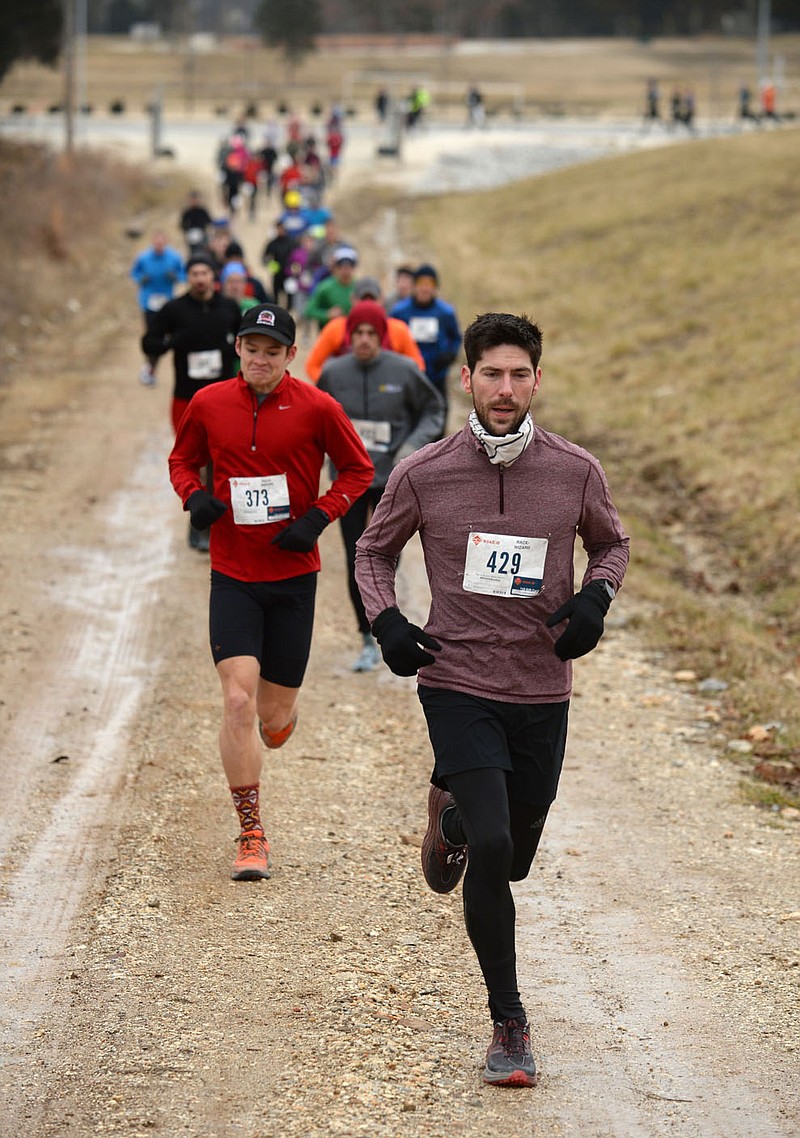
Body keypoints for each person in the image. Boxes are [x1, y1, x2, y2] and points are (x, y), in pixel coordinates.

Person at [354, 312, 629, 1087]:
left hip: (542, 687)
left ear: (537, 380)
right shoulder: (424, 471)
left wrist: (595, 599)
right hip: (457, 682)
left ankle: (451, 821)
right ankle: (509, 1024)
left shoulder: (575, 471)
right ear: (466, 378)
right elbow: (373, 549)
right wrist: (387, 620)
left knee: (514, 857)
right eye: (490, 374)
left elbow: (612, 543)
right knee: (497, 843)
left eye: (518, 374)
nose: (503, 389)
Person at [168, 302, 373, 881]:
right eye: (251, 347)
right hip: (233, 574)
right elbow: (182, 460)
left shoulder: (317, 407)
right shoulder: (209, 404)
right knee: (236, 699)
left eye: (272, 350)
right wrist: (194, 497)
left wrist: (317, 517)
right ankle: (251, 832)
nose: (260, 358)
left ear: (289, 354)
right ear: (239, 349)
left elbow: (357, 470)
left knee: (273, 718)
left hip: (292, 577)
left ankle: (280, 719)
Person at [317, 300, 444, 671]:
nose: (364, 340)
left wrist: (410, 448)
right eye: (357, 332)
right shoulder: (334, 372)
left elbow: (433, 410)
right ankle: (365, 638)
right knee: (358, 558)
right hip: (350, 478)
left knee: (384, 559)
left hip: (393, 478)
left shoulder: (403, 370)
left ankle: (387, 629)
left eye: (372, 333)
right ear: (348, 335)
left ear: (383, 336)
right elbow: (316, 417)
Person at [142, 254, 242, 550]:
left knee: (222, 462)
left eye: (205, 273)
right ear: (188, 277)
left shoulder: (229, 307)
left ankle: (221, 524)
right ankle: (199, 523)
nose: (200, 278)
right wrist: (174, 343)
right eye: (194, 273)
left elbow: (244, 344)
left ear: (214, 276)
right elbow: (149, 343)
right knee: (196, 462)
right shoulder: (174, 310)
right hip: (187, 399)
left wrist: (232, 351)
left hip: (225, 399)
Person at [304, 276, 425, 382]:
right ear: (353, 300)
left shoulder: (397, 329)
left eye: (372, 299)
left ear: (382, 300)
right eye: (363, 299)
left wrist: (397, 387)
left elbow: (418, 367)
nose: (368, 304)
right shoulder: (336, 328)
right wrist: (333, 386)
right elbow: (312, 366)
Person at [390, 263, 462, 415]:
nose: (425, 288)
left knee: (438, 411)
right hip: (408, 375)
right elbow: (390, 337)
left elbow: (456, 337)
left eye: (429, 284)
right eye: (421, 284)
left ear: (435, 288)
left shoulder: (445, 312)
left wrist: (449, 356)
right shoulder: (399, 311)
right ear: (414, 286)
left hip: (437, 374)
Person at [129, 229, 185, 386]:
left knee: (163, 337)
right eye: (156, 243)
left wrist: (175, 277)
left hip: (167, 304)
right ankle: (149, 368)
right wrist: (141, 279)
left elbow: (183, 275)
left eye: (162, 243)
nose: (159, 246)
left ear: (165, 243)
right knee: (151, 335)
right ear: (153, 243)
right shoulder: (144, 258)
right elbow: (133, 273)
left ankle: (150, 368)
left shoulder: (174, 257)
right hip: (149, 302)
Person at [304, 246, 358, 330]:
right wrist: (327, 314)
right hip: (329, 334)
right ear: (336, 268)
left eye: (349, 266)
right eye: (342, 266)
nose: (345, 270)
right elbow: (309, 310)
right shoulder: (325, 287)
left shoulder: (359, 287)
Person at [179, 190, 213, 257]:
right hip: (191, 235)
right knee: (193, 252)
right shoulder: (187, 212)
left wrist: (205, 230)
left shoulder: (203, 210)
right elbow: (182, 224)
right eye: (192, 199)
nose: (194, 201)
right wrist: (187, 231)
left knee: (204, 251)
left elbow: (209, 221)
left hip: (202, 234)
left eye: (195, 199)